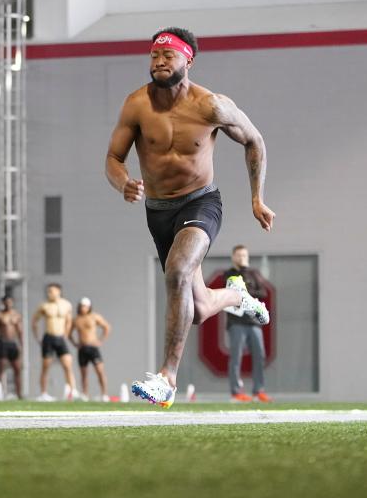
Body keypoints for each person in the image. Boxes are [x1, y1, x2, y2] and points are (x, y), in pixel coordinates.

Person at [105, 27, 273, 409]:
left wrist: (257, 198)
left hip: (201, 204)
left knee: (177, 271)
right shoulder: (136, 105)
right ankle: (236, 295)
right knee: (195, 311)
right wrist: (123, 184)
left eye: (168, 56)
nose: (159, 62)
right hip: (159, 212)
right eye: (154, 56)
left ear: (188, 60)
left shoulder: (210, 105)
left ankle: (167, 378)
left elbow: (254, 140)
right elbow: (113, 159)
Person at [216, 245, 272, 403]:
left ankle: (258, 391)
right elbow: (231, 293)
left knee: (259, 356)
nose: (242, 258)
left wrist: (245, 292)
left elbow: (263, 292)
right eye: (239, 255)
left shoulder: (253, 274)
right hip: (236, 323)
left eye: (244, 255)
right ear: (233, 257)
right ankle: (236, 392)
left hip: (253, 322)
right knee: (236, 357)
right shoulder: (228, 274)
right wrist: (243, 291)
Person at [31, 283, 78, 401]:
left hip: (61, 338)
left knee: (68, 364)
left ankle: (73, 391)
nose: (49, 293)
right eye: (48, 291)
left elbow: (69, 321)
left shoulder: (66, 305)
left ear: (58, 291)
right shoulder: (44, 306)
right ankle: (43, 393)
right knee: (45, 366)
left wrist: (66, 335)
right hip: (49, 338)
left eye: (51, 291)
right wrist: (38, 337)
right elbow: (34, 321)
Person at [70, 297, 112, 401]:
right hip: (82, 349)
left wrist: (100, 341)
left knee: (100, 371)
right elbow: (69, 333)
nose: (83, 308)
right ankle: (84, 394)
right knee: (83, 373)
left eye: (85, 306)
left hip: (93, 348)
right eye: (81, 306)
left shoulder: (94, 317)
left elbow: (107, 327)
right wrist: (75, 343)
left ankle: (104, 394)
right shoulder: (76, 319)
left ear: (89, 307)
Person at [0, 293, 24, 400]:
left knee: (17, 369)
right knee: (1, 368)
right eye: (6, 302)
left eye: (10, 302)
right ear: (3, 303)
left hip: (13, 343)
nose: (8, 304)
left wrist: (21, 345)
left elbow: (20, 331)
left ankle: (19, 394)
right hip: (2, 343)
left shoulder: (16, 315)